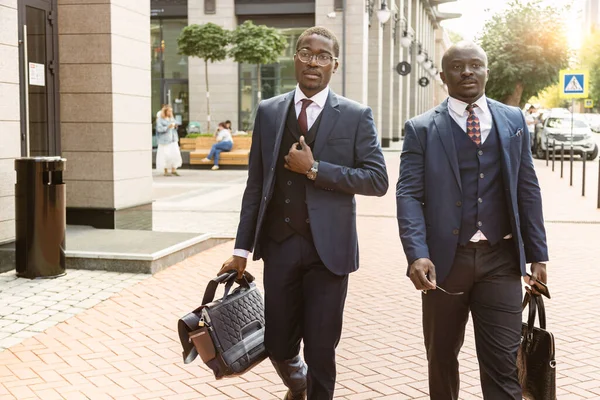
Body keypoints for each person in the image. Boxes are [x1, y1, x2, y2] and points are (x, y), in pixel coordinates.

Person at [217, 26, 388, 400]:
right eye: (306, 53)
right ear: (295, 59)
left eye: (323, 56)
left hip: (330, 252)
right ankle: (299, 385)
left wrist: (315, 170)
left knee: (322, 350)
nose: (314, 61)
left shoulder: (356, 115)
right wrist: (241, 251)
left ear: (335, 65)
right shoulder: (269, 111)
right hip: (280, 247)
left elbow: (377, 180)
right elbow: (256, 186)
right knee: (278, 344)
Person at [396, 41, 549, 400]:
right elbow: (408, 195)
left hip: (502, 257)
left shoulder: (512, 120)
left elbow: (528, 187)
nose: (467, 72)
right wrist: (416, 253)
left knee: (503, 364)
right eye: (458, 66)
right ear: (443, 75)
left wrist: (538, 254)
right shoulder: (421, 128)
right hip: (445, 263)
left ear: (486, 71)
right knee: (442, 358)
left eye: (475, 65)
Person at [155, 105, 182, 176]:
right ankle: (165, 171)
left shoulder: (171, 118)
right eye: (169, 111)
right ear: (165, 111)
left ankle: (174, 169)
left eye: (171, 111)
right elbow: (159, 129)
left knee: (175, 154)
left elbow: (177, 123)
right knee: (166, 155)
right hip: (165, 141)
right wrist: (168, 127)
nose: (170, 112)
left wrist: (175, 126)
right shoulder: (160, 119)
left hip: (173, 140)